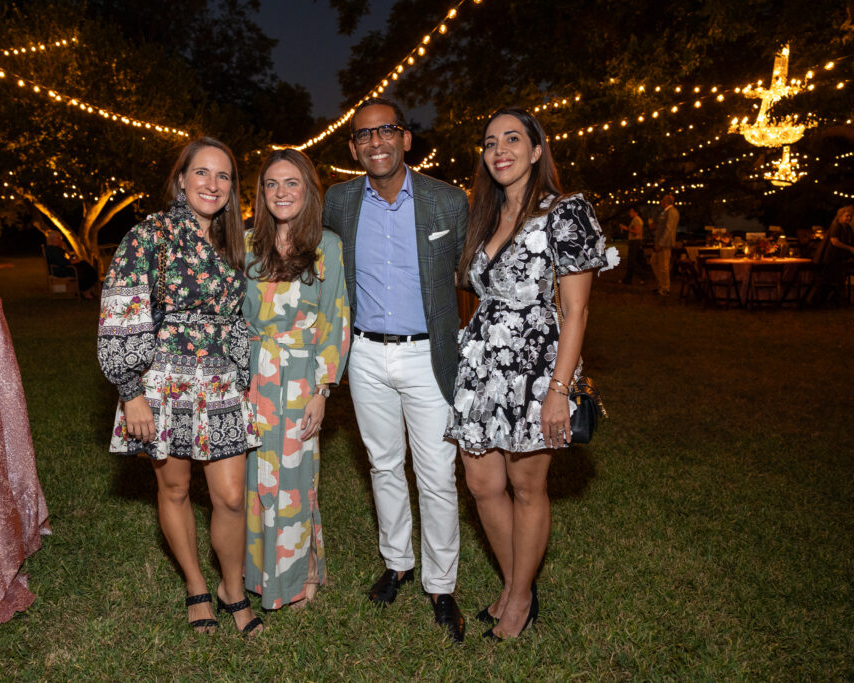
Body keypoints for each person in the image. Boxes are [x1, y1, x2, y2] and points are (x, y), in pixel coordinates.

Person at [445, 108, 611, 641]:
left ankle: (517, 600)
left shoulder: (565, 211)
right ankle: (519, 581)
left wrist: (558, 391)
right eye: (491, 141)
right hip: (483, 363)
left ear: (537, 150)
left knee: (525, 482)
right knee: (481, 481)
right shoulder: (484, 216)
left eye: (513, 139)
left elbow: (577, 311)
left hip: (537, 366)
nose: (500, 150)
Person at [97, 138, 263, 637]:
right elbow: (121, 308)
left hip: (219, 381)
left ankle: (232, 587)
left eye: (224, 176)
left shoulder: (233, 241)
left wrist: (241, 373)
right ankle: (195, 585)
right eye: (202, 174)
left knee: (231, 496)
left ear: (232, 189)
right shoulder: (151, 235)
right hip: (162, 380)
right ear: (182, 180)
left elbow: (235, 319)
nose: (213, 185)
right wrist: (131, 392)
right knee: (174, 487)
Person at [322, 97, 469, 642]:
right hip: (363, 353)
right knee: (383, 465)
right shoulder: (338, 201)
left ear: (406, 139)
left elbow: (475, 274)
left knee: (436, 473)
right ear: (354, 147)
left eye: (386, 132)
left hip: (428, 353)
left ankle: (442, 583)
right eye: (364, 135)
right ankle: (397, 561)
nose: (376, 142)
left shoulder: (446, 201)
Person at [242, 149, 351, 610]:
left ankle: (298, 573)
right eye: (272, 184)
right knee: (256, 479)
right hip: (251, 376)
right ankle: (261, 575)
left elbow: (335, 316)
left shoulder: (327, 245)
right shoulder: (245, 244)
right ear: (261, 193)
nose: (281, 193)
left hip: (303, 377)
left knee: (296, 477)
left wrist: (323, 390)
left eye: (292, 183)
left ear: (308, 191)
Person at [812, 205, 854, 304]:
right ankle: (822, 300)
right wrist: (850, 248)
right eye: (847, 216)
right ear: (840, 216)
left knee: (838, 277)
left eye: (851, 216)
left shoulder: (848, 228)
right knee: (828, 280)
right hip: (829, 257)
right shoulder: (836, 225)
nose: (849, 218)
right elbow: (834, 241)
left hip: (839, 258)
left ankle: (836, 298)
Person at [44, 229, 98, 299]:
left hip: (59, 269)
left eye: (61, 238)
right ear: (52, 240)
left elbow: (60, 260)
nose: (61, 240)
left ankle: (84, 290)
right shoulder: (53, 250)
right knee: (85, 268)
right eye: (59, 238)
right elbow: (61, 262)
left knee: (84, 265)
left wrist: (71, 260)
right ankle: (84, 291)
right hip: (60, 271)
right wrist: (72, 261)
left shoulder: (53, 249)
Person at [649, 194, 678, 296]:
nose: (661, 202)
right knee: (654, 262)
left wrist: (661, 243)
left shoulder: (672, 212)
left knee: (663, 266)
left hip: (665, 243)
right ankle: (661, 284)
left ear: (666, 201)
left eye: (662, 200)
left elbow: (668, 229)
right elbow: (663, 227)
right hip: (659, 242)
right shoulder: (665, 212)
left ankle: (665, 288)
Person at [619, 205, 646, 285]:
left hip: (635, 242)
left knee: (632, 262)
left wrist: (626, 228)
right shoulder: (636, 220)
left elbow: (637, 232)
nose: (630, 213)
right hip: (635, 242)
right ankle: (627, 279)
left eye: (631, 211)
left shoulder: (636, 220)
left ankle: (644, 275)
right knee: (633, 261)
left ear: (635, 212)